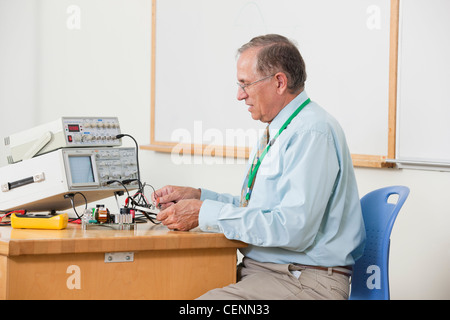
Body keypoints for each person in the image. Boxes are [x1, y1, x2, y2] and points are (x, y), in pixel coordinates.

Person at [152, 34, 365, 300]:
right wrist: (200, 197)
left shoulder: (312, 132)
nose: (240, 95)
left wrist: (204, 213)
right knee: (168, 286)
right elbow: (261, 212)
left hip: (304, 281)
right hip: (268, 273)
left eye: (245, 84)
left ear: (279, 82)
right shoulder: (281, 129)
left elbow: (292, 228)